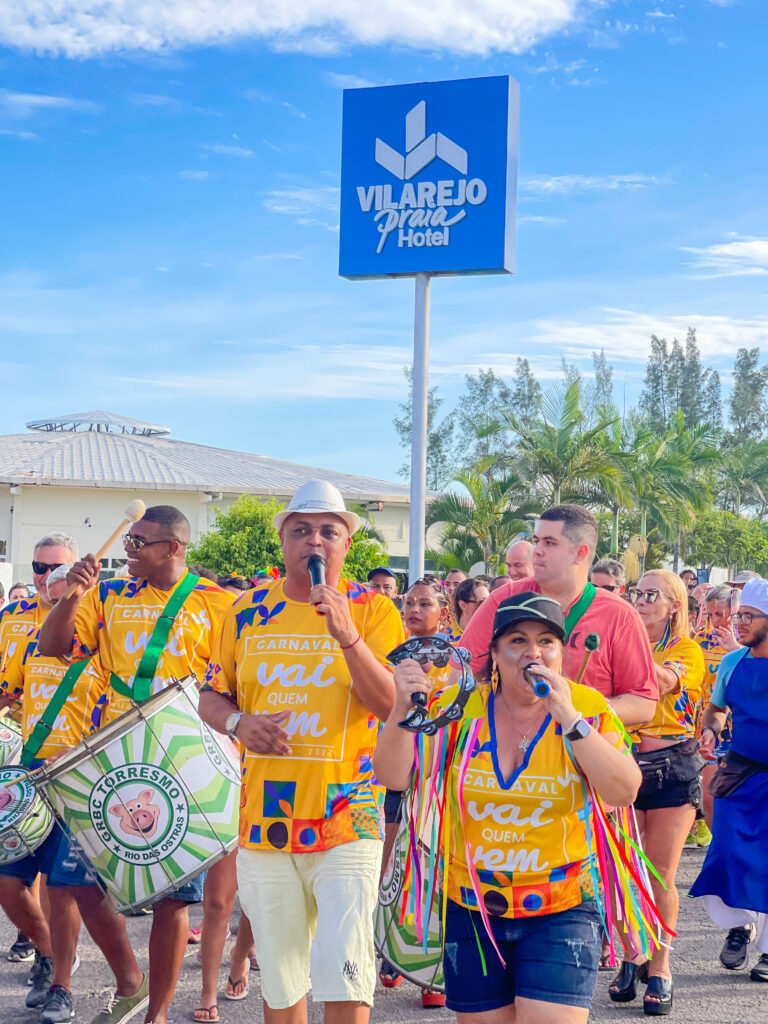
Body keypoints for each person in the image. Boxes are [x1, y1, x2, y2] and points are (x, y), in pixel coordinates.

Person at [373, 591, 642, 1023]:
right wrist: (403, 708)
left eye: (546, 641)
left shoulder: (587, 708)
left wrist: (570, 719)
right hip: (472, 905)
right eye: (518, 640)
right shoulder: (461, 707)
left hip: (561, 906)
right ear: (494, 654)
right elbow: (395, 776)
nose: (533, 652)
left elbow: (624, 790)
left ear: (561, 653)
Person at [199, 480, 404, 1024]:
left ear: (346, 544)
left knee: (346, 971)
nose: (315, 541)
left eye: (328, 531)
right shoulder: (247, 609)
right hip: (266, 822)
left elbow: (390, 705)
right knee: (282, 977)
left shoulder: (373, 610)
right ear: (284, 540)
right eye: (302, 530)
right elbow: (211, 695)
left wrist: (347, 636)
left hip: (349, 816)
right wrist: (238, 723)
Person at [39, 505, 233, 1024]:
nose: (127, 550)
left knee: (174, 895)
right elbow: (52, 647)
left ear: (173, 548)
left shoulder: (218, 603)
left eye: (138, 543)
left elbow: (233, 680)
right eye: (127, 541)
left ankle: (158, 1014)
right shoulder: (108, 594)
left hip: (181, 753)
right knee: (77, 880)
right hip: (112, 751)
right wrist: (73, 594)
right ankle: (131, 981)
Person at [0, 565, 119, 1024]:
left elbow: (121, 714)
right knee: (7, 882)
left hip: (81, 778)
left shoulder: (106, 651)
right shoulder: (34, 644)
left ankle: (61, 987)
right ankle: (48, 952)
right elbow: (6, 691)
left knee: (64, 886)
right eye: (53, 591)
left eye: (71, 593)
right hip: (29, 776)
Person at [459, 505, 658, 727]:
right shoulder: (504, 599)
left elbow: (643, 703)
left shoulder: (620, 615)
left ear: (580, 553)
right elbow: (459, 678)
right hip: (507, 744)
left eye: (550, 543)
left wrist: (576, 714)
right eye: (536, 541)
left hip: (581, 746)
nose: (537, 551)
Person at [609, 571, 705, 1014]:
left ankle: (661, 966)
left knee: (660, 873)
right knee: (621, 872)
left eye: (652, 594)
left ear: (674, 606)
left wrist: (617, 653)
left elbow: (664, 681)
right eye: (637, 593)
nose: (641, 600)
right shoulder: (619, 644)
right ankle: (633, 955)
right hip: (622, 765)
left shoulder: (687, 650)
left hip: (672, 768)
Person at [0, 533, 79, 967]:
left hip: (76, 759)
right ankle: (46, 948)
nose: (47, 576)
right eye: (39, 568)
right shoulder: (11, 616)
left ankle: (56, 968)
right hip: (19, 756)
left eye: (57, 568)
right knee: (9, 873)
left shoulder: (95, 618)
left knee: (58, 878)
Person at [689, 578, 768, 983]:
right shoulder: (732, 662)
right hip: (740, 773)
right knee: (728, 853)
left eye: (750, 617)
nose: (741, 623)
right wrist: (710, 730)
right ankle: (740, 925)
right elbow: (717, 708)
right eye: (741, 615)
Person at [380, 576, 453, 1006]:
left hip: (441, 777)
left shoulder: (458, 660)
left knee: (435, 870)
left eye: (425, 603)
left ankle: (431, 972)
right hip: (398, 771)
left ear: (444, 611)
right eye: (409, 602)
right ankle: (393, 946)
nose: (413, 610)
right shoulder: (388, 653)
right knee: (394, 862)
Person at [694, 584, 739, 834]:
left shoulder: (751, 641)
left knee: (736, 799)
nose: (714, 620)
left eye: (719, 613)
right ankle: (719, 844)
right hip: (709, 723)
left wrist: (736, 649)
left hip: (741, 726)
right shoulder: (701, 639)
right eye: (710, 614)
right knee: (710, 797)